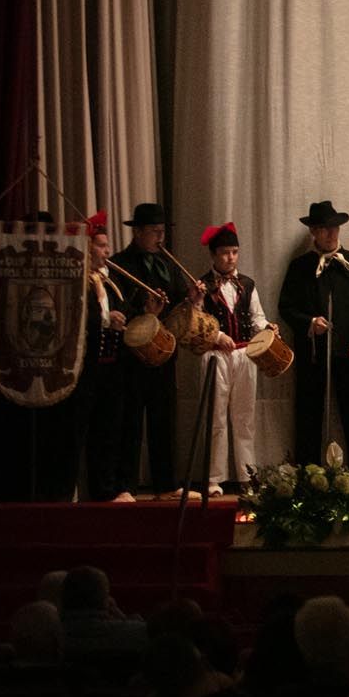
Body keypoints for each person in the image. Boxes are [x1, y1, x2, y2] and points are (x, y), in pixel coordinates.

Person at [110, 202, 203, 497]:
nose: (160, 238)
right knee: (131, 422)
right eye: (154, 232)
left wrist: (191, 297)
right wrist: (143, 306)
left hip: (164, 353)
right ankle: (125, 485)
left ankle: (166, 485)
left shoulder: (167, 264)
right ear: (137, 232)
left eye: (162, 231)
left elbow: (176, 306)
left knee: (164, 420)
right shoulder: (120, 263)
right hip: (132, 356)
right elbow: (114, 308)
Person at [277, 201, 349, 471]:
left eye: (334, 228)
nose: (331, 234)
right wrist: (309, 322)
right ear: (313, 232)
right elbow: (286, 307)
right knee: (309, 414)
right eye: (323, 229)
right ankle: (307, 476)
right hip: (313, 354)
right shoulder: (300, 267)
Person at [193, 223, 269, 495]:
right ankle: (214, 478)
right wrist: (216, 336)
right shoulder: (202, 285)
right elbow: (195, 321)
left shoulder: (247, 284)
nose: (231, 258)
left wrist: (268, 329)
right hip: (215, 356)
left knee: (244, 417)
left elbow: (257, 317)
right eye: (225, 253)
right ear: (213, 255)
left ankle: (246, 475)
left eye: (235, 252)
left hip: (243, 354)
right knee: (216, 417)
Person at [80, 212, 135, 501]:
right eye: (102, 245)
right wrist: (105, 321)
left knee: (111, 429)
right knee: (88, 430)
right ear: (87, 247)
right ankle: (91, 489)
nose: (108, 251)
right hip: (87, 366)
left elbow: (120, 311)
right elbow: (79, 319)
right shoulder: (81, 280)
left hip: (112, 363)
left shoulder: (108, 281)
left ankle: (109, 487)